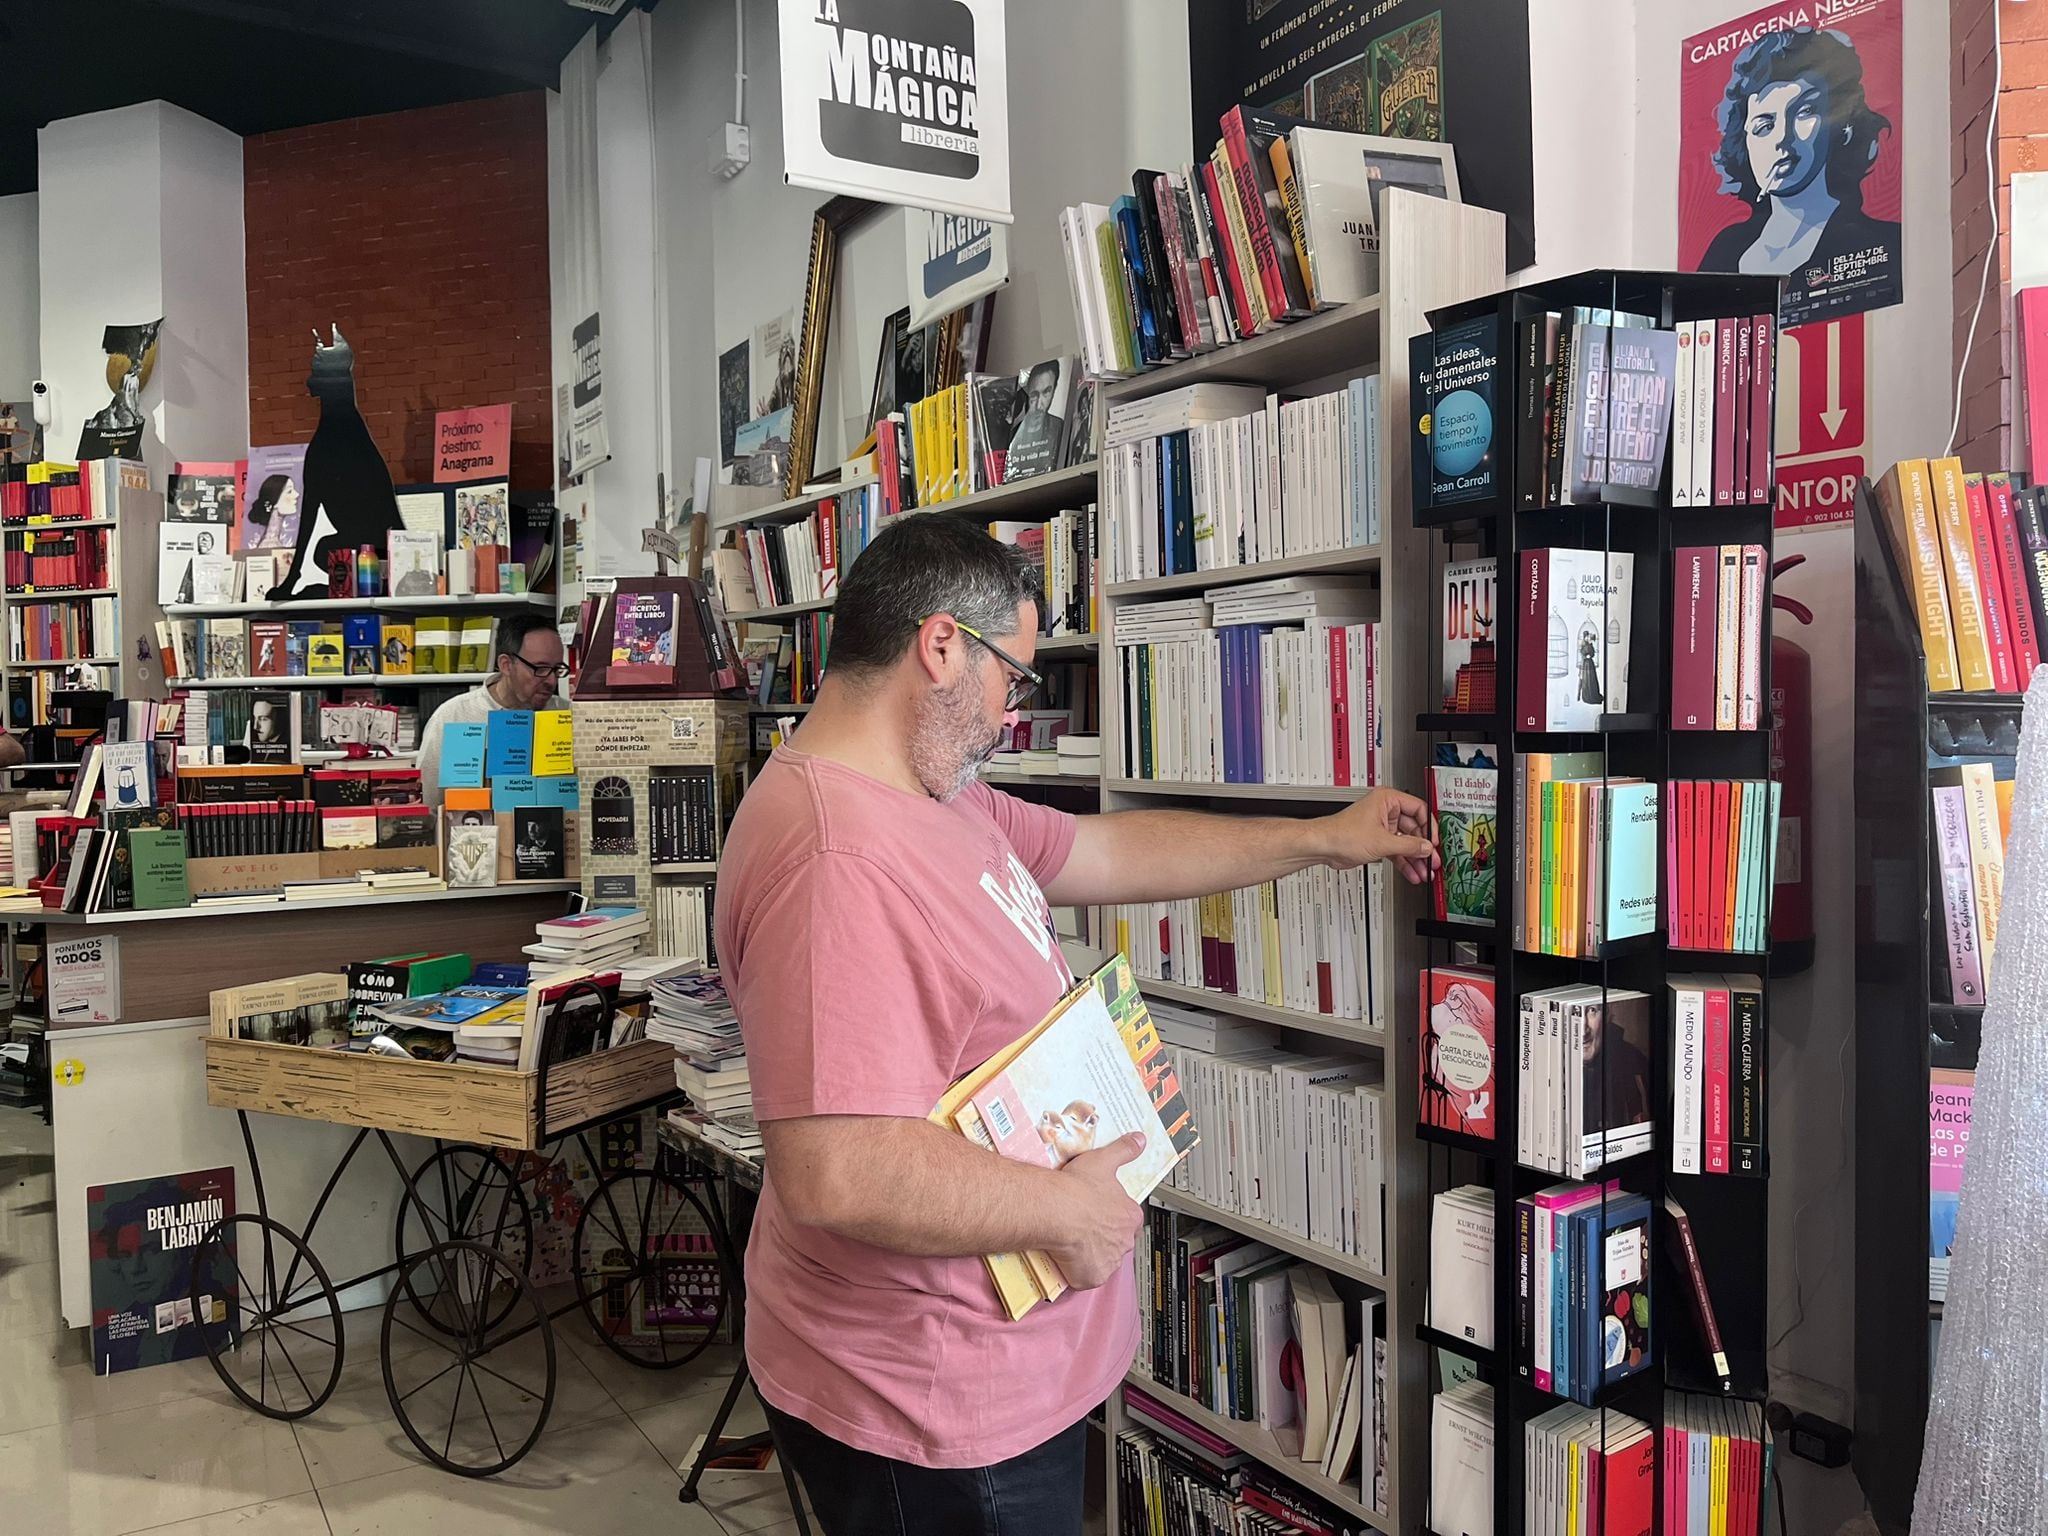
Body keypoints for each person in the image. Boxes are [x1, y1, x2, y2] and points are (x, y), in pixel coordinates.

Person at [714, 514, 1439, 1535]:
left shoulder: (936, 797)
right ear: (938, 646)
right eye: (1014, 677)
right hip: (925, 1409)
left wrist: (1322, 839)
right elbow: (838, 1170)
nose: (1013, 714)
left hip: (993, 1377)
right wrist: (1065, 1215)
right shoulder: (834, 858)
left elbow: (1106, 852)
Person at [1698, 28, 1900, 284]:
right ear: (1744, 143)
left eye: (1804, 112)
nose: (1783, 137)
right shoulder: (1724, 252)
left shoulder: (1881, 242)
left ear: (1840, 123)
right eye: (1764, 125)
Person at [417, 612, 567, 803]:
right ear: (505, 665)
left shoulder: (568, 715)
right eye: (540, 669)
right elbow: (428, 804)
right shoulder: (454, 716)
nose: (552, 680)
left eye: (557, 669)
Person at [1003, 359, 1067, 479]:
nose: (1039, 405)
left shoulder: (1060, 427)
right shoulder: (1013, 436)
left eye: (1047, 392)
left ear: (1055, 389)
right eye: (1034, 395)